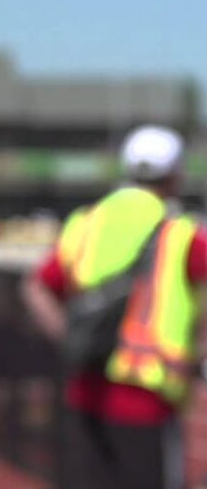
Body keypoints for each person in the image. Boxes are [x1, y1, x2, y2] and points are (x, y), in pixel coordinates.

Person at [22, 124, 207, 489]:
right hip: (147, 397)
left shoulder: (86, 223)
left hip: (85, 389)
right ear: (175, 174)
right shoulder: (179, 232)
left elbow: (37, 288)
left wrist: (71, 336)